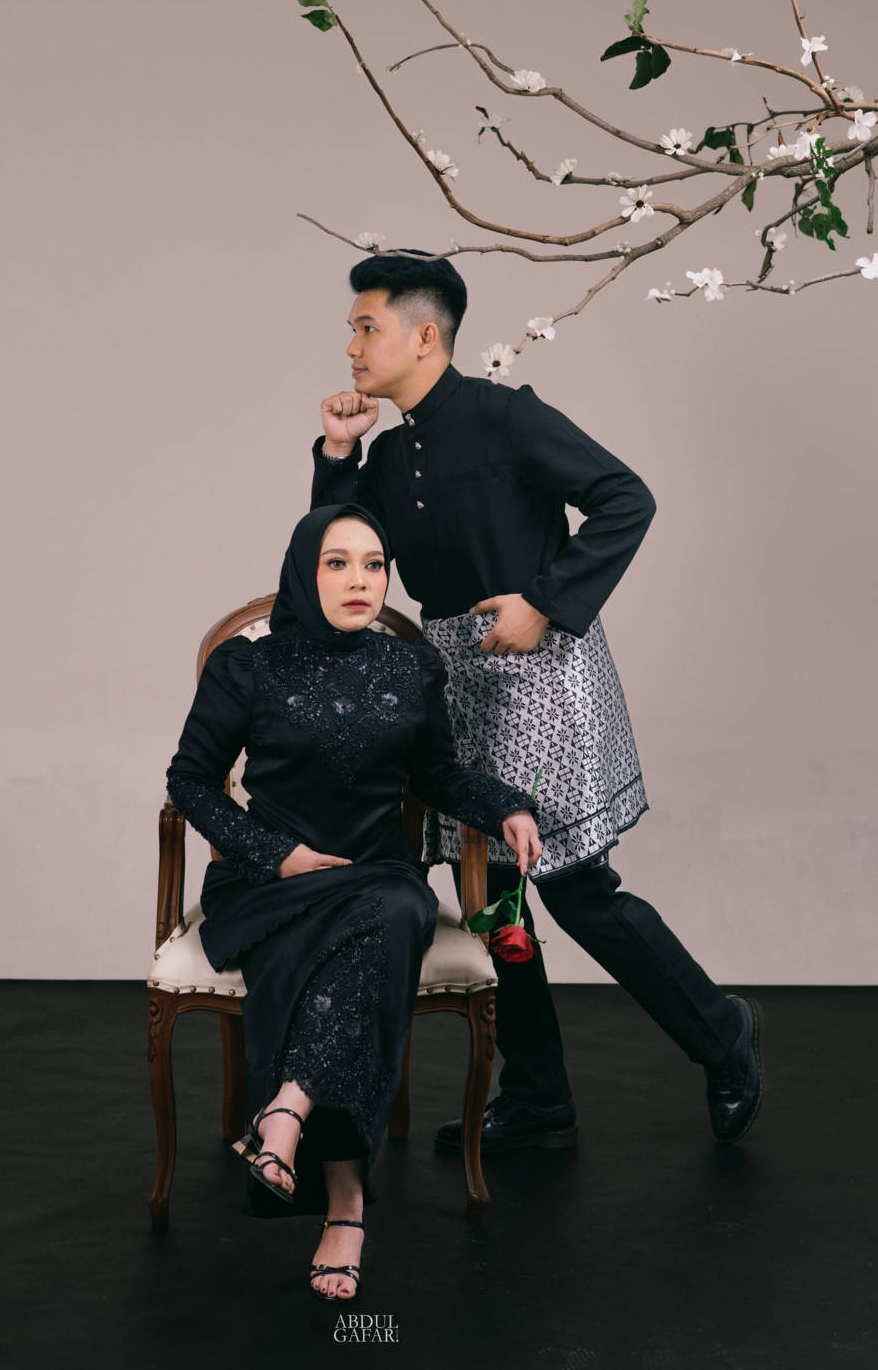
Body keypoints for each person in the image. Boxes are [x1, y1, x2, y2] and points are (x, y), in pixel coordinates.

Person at [310, 250, 763, 1156]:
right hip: (452, 683)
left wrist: (545, 602)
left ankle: (724, 1036)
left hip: (542, 670)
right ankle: (538, 1097)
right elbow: (331, 549)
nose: (350, 346)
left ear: (425, 335)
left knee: (576, 888)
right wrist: (337, 453)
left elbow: (626, 498)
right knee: (490, 896)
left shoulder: (507, 416)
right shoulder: (390, 453)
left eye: (366, 327)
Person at [165, 503, 543, 1301]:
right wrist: (280, 855)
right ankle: (345, 1203)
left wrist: (507, 805)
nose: (359, 580)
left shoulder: (411, 667)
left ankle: (288, 1108)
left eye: (374, 564)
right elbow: (190, 781)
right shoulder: (248, 666)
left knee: (393, 912)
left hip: (377, 876)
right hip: (273, 883)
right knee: (379, 937)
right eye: (337, 562)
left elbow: (436, 774)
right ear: (304, 572)